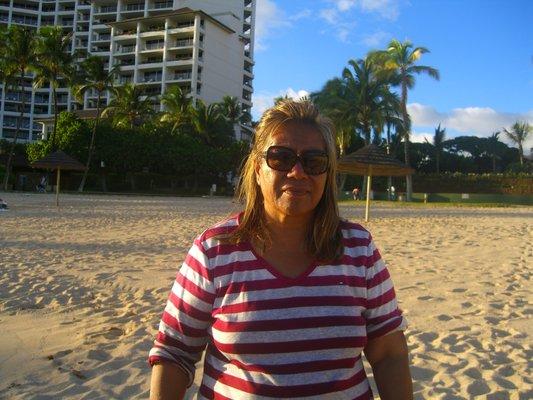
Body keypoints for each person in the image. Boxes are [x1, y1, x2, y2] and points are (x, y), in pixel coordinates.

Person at [149, 100, 412, 400]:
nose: (298, 172)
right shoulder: (214, 251)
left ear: (327, 176)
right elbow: (174, 352)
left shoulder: (358, 249)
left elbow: (388, 352)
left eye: (314, 162)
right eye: (281, 158)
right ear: (257, 168)